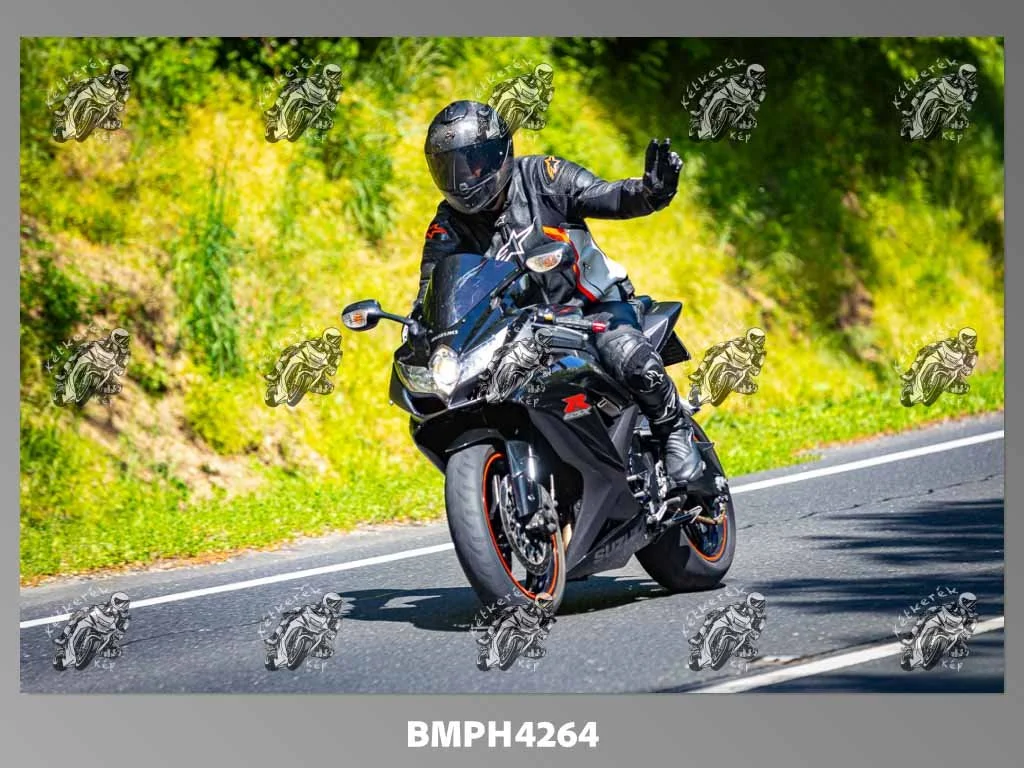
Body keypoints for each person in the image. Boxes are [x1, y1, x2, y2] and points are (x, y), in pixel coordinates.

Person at [413, 100, 703, 495]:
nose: (463, 180)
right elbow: (433, 290)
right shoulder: (446, 226)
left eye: (472, 164)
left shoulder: (542, 176)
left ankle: (674, 430)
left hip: (593, 306)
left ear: (499, 153)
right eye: (450, 168)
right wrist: (419, 330)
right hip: (518, 332)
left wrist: (650, 192)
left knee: (626, 355)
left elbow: (605, 195)